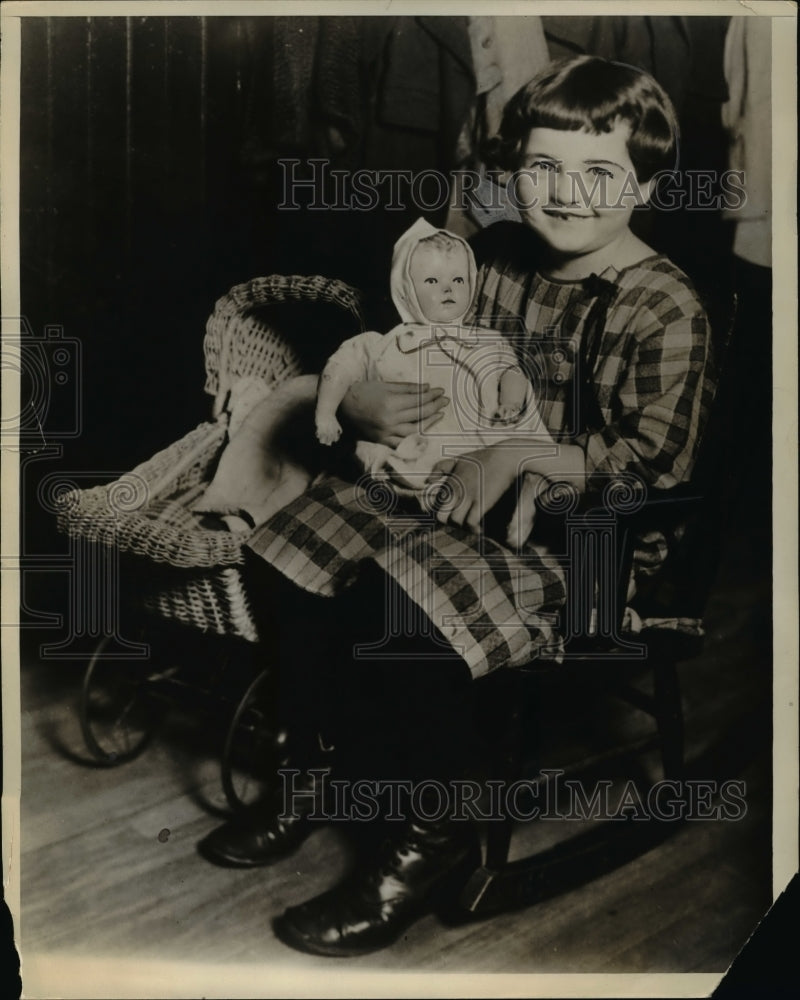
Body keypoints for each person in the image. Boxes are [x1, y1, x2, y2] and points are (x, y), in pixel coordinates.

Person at [198, 55, 716, 957]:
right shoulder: (494, 259)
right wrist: (356, 399)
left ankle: (428, 833)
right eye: (542, 167)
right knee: (298, 536)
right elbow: (405, 343)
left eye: (600, 173)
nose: (565, 193)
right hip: (449, 502)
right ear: (512, 169)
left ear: (647, 183)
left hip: (588, 548)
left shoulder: (664, 305)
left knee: (408, 591)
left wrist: (522, 453)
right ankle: (315, 769)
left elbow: (659, 465)